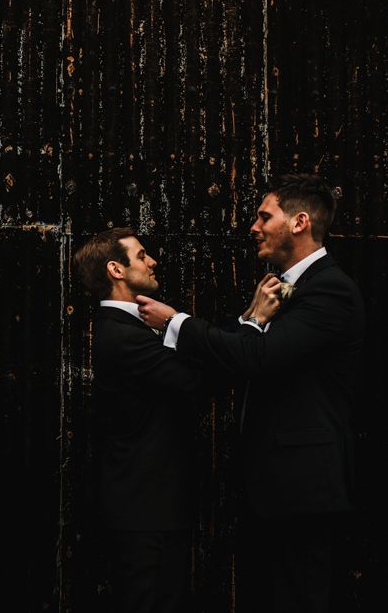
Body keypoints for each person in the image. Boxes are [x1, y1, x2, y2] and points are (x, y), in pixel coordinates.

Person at [137, 173, 364, 613]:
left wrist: (175, 321)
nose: (254, 227)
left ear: (299, 223)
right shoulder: (285, 287)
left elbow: (259, 357)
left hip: (305, 487)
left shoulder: (331, 290)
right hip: (276, 486)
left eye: (264, 216)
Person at [73, 228, 201, 613]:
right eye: (142, 255)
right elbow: (192, 380)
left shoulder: (134, 327)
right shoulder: (121, 335)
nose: (152, 261)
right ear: (116, 269)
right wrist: (249, 326)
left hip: (151, 505)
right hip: (144, 509)